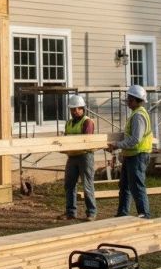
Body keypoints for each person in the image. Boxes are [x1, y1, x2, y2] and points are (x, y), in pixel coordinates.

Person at [107, 84, 153, 218]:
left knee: (137, 187)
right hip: (131, 155)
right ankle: (122, 214)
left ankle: (144, 215)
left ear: (134, 100)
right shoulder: (136, 114)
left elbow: (135, 140)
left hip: (137, 156)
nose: (127, 101)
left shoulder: (138, 116)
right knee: (125, 186)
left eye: (129, 99)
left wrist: (117, 145)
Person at [62, 94, 97, 221]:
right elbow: (65, 138)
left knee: (87, 185)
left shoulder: (87, 122)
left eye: (77, 109)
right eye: (72, 109)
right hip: (72, 156)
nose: (74, 111)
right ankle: (71, 212)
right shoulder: (69, 123)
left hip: (85, 156)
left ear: (83, 109)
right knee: (69, 185)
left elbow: (86, 140)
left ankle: (91, 212)